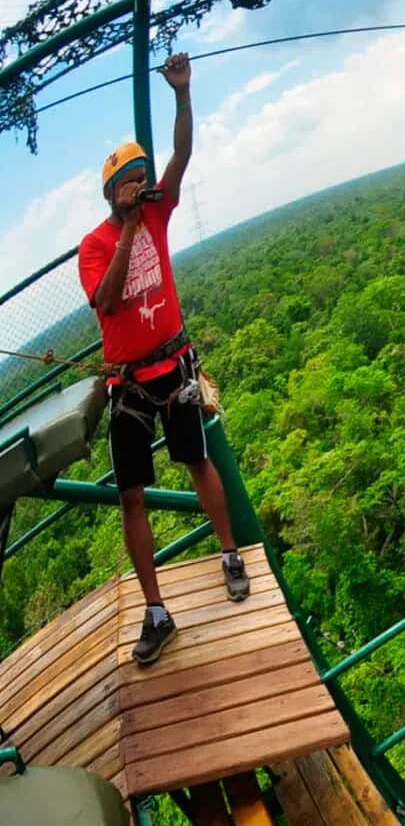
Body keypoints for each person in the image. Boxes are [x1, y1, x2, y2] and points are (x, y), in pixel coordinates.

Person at [77, 52, 248, 666]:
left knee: (199, 464)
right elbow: (108, 299)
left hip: (171, 367)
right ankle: (156, 610)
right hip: (130, 383)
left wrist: (182, 95)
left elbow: (181, 158)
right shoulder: (98, 244)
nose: (139, 183)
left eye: (139, 178)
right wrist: (126, 225)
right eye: (128, 180)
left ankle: (229, 553)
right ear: (110, 193)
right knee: (131, 495)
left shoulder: (157, 209)